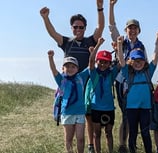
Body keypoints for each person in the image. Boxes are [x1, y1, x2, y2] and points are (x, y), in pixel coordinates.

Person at [40, 1, 104, 152]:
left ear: (84, 28)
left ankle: (89, 145)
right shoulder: (67, 42)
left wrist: (100, 8)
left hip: (86, 81)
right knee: (77, 118)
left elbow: (100, 28)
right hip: (69, 84)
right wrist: (45, 18)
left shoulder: (90, 41)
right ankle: (84, 146)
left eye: (81, 27)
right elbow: (53, 33)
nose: (78, 29)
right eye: (75, 27)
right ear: (72, 28)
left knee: (87, 115)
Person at [47, 37, 103, 153]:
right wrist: (50, 58)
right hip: (67, 112)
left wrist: (95, 50)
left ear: (77, 69)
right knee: (68, 138)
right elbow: (53, 70)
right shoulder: (61, 79)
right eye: (67, 66)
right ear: (63, 69)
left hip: (80, 112)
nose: (70, 69)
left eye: (73, 66)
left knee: (81, 138)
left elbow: (91, 64)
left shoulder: (81, 77)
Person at [109, 0, 148, 152]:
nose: (131, 31)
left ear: (138, 30)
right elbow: (111, 27)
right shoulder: (121, 42)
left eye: (134, 28)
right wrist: (111, 6)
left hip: (136, 84)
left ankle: (131, 142)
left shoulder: (141, 46)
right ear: (125, 30)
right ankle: (123, 144)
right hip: (121, 81)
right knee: (126, 113)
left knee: (134, 113)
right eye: (129, 28)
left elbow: (144, 65)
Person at [116, 33, 158, 153]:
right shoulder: (127, 73)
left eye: (140, 60)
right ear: (130, 61)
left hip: (146, 108)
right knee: (133, 132)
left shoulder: (148, 72)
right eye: (135, 60)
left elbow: (156, 56)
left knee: (146, 132)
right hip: (131, 108)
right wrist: (119, 45)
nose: (138, 62)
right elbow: (121, 59)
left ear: (145, 61)